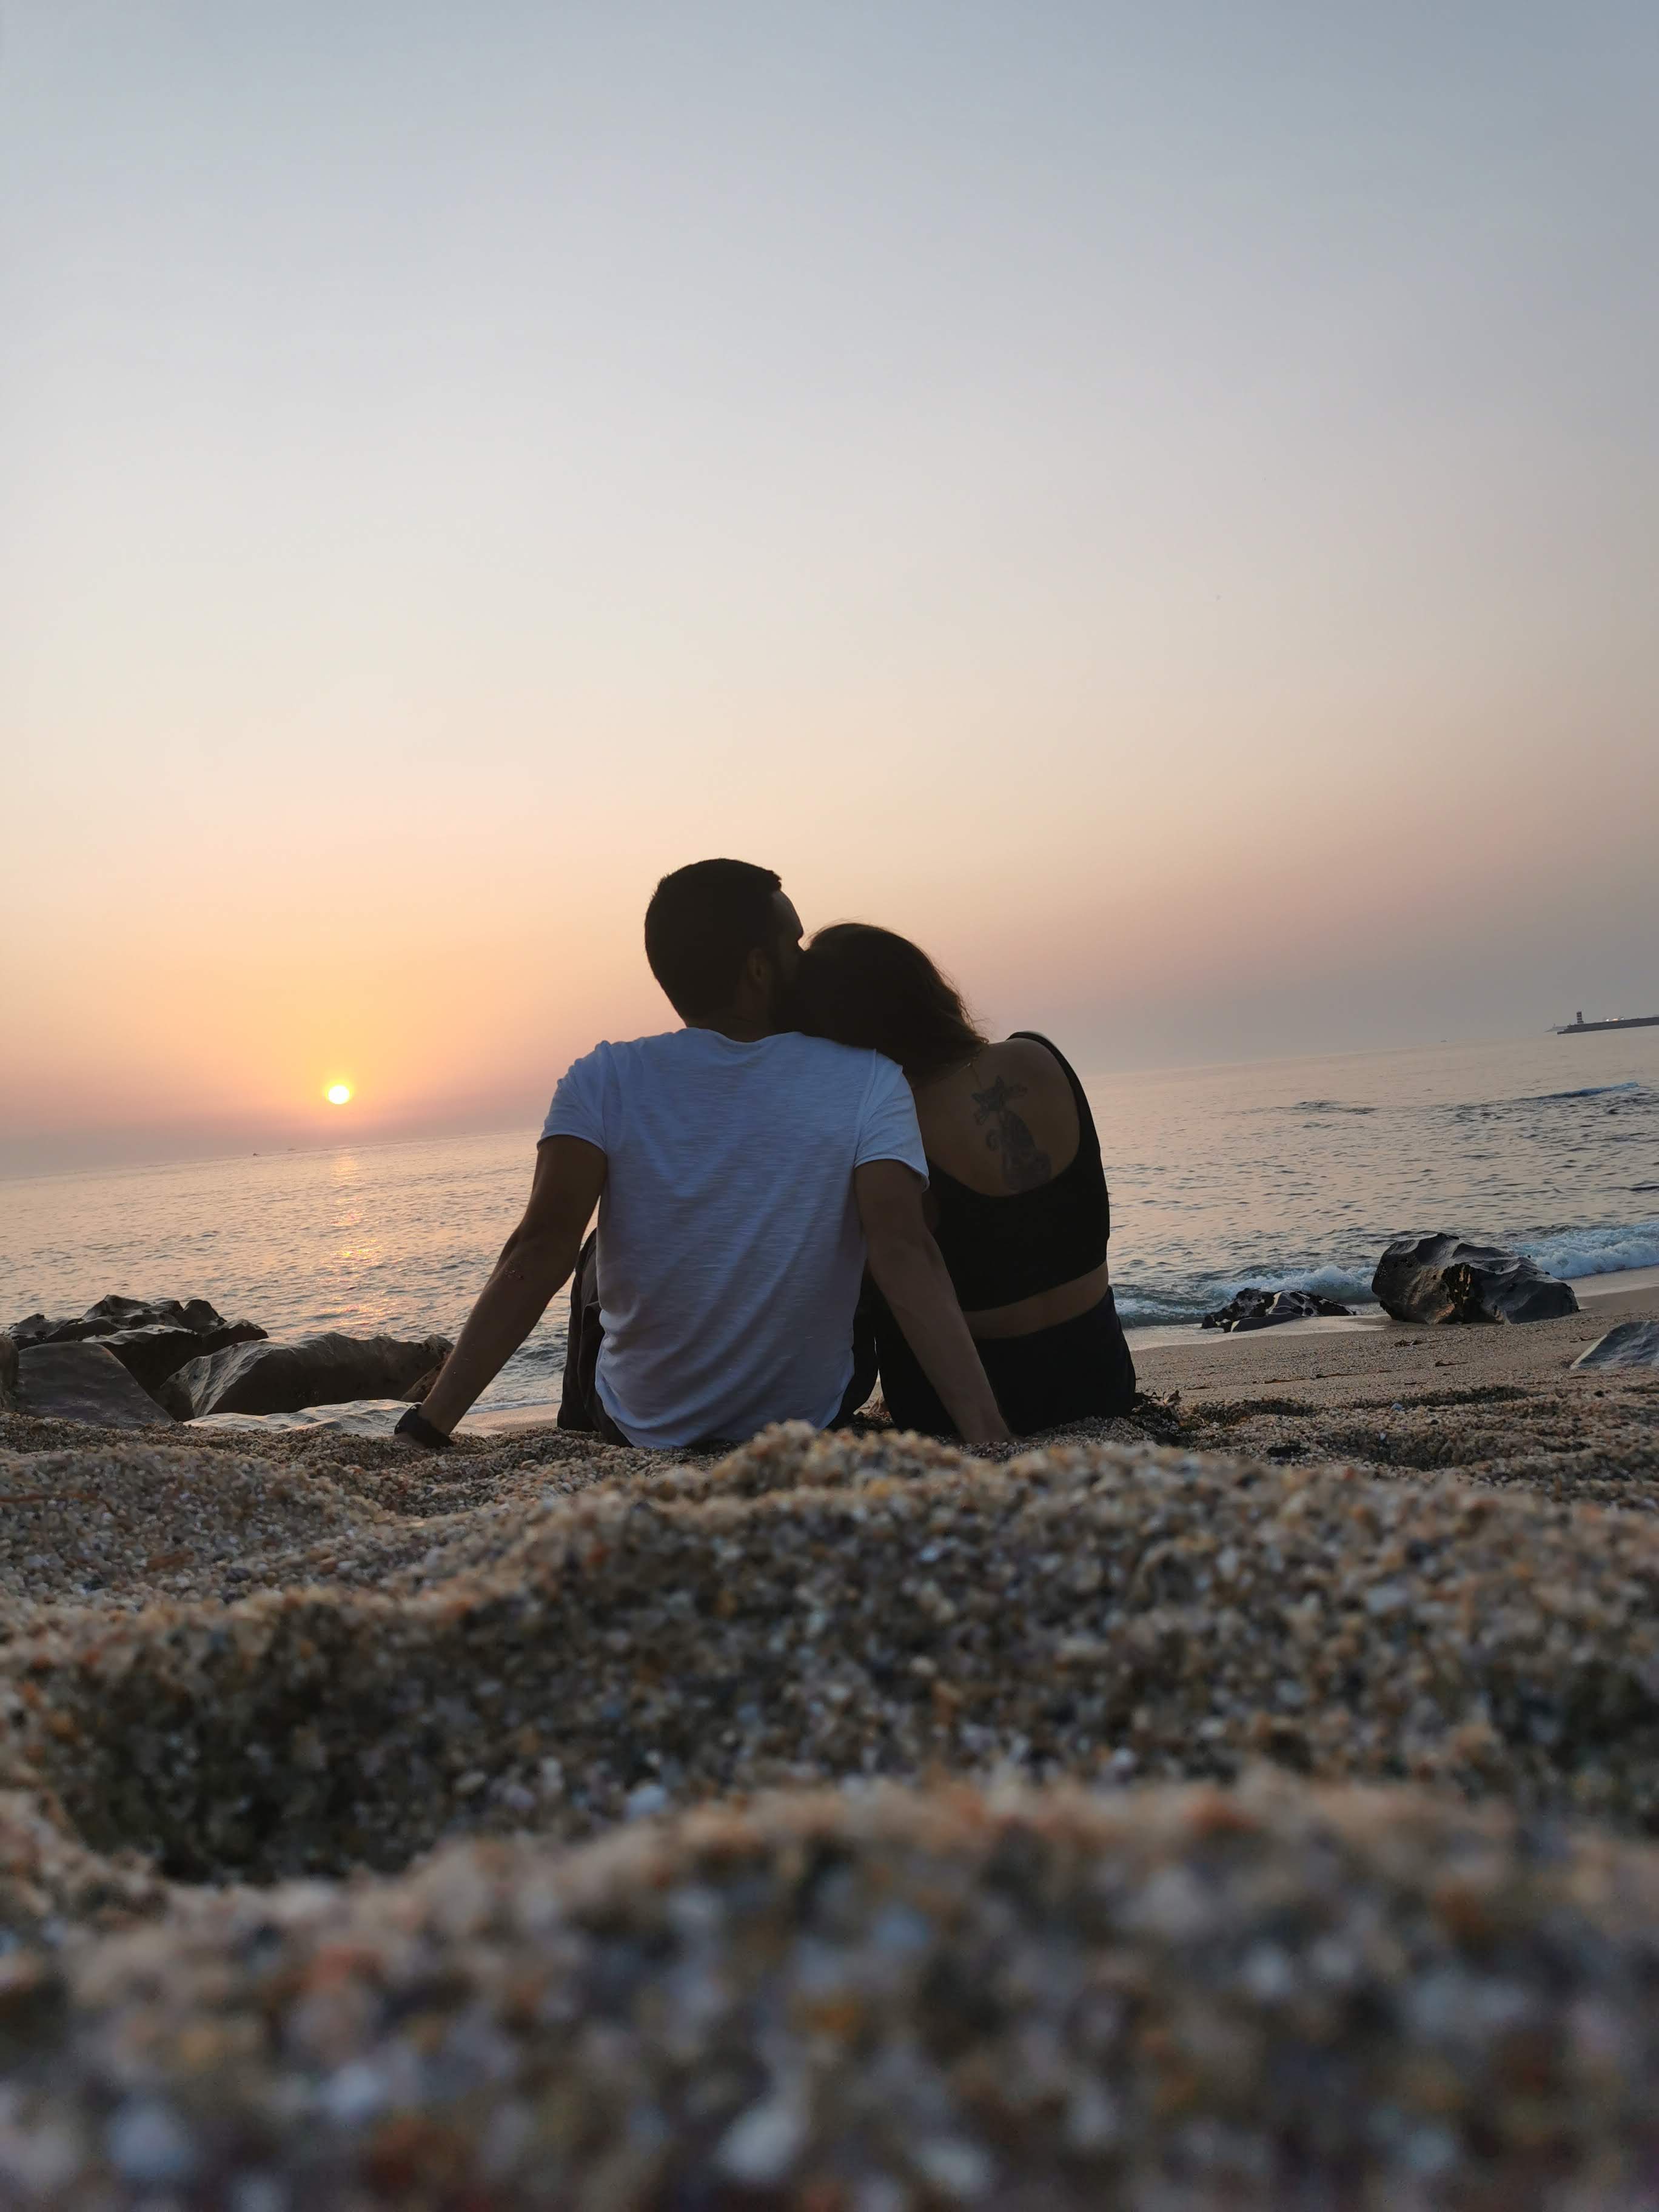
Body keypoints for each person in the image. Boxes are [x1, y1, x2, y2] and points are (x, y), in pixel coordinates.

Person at [395, 861, 1010, 1452]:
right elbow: (903, 1252)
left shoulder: (602, 1078)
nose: (809, 959)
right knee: (855, 1229)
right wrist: (988, 1436)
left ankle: (576, 1427)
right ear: (760, 969)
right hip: (810, 1421)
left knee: (584, 1250)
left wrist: (430, 1424)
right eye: (794, 944)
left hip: (637, 1427)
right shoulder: (871, 1080)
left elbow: (536, 1251)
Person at [791, 922, 1136, 1438]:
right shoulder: (1038, 1054)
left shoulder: (892, 1122)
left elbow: (901, 1265)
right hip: (1104, 1379)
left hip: (975, 1404)